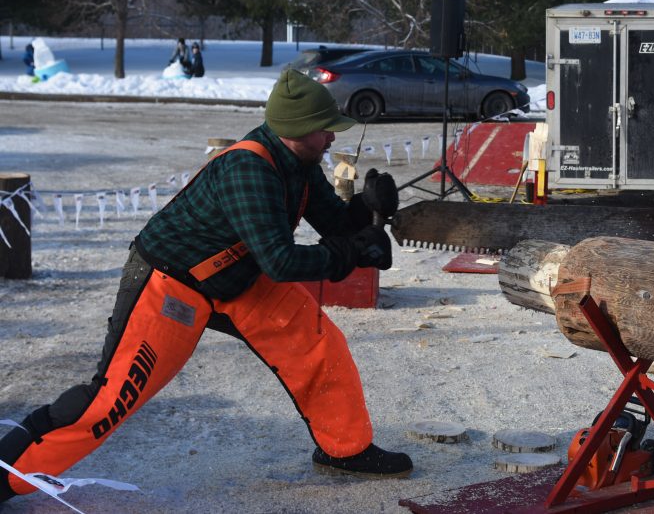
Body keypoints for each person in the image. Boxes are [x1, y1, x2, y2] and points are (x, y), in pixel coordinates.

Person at [0, 70, 412, 505]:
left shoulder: (300, 163)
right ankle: (8, 473)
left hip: (239, 276)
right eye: (325, 129)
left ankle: (345, 450)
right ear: (296, 129)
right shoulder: (249, 170)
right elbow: (282, 261)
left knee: (317, 344)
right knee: (112, 400)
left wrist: (368, 212)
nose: (332, 137)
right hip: (175, 282)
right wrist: (350, 255)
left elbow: (332, 223)